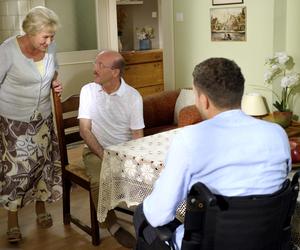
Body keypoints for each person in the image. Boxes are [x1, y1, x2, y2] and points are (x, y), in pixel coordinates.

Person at [133, 57, 291, 249]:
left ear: (204, 100)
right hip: (267, 241)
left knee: (143, 214)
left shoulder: (189, 139)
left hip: (210, 244)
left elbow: (159, 214)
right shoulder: (277, 134)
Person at [0, 6, 63, 243]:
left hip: (42, 118)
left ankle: (40, 208)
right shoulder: (7, 51)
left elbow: (53, 72)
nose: (49, 41)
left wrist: (56, 83)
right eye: (45, 36)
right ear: (29, 32)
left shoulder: (49, 48)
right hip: (14, 120)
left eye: (52, 36)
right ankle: (12, 220)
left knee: (42, 166)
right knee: (16, 172)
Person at [78, 50, 144, 248]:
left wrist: (132, 161)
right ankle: (112, 225)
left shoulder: (133, 97)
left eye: (100, 65)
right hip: (95, 150)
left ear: (115, 72)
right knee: (100, 181)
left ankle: (149, 223)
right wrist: (104, 155)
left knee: (149, 178)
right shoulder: (88, 90)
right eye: (95, 63)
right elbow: (84, 130)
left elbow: (137, 136)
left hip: (125, 152)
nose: (94, 69)